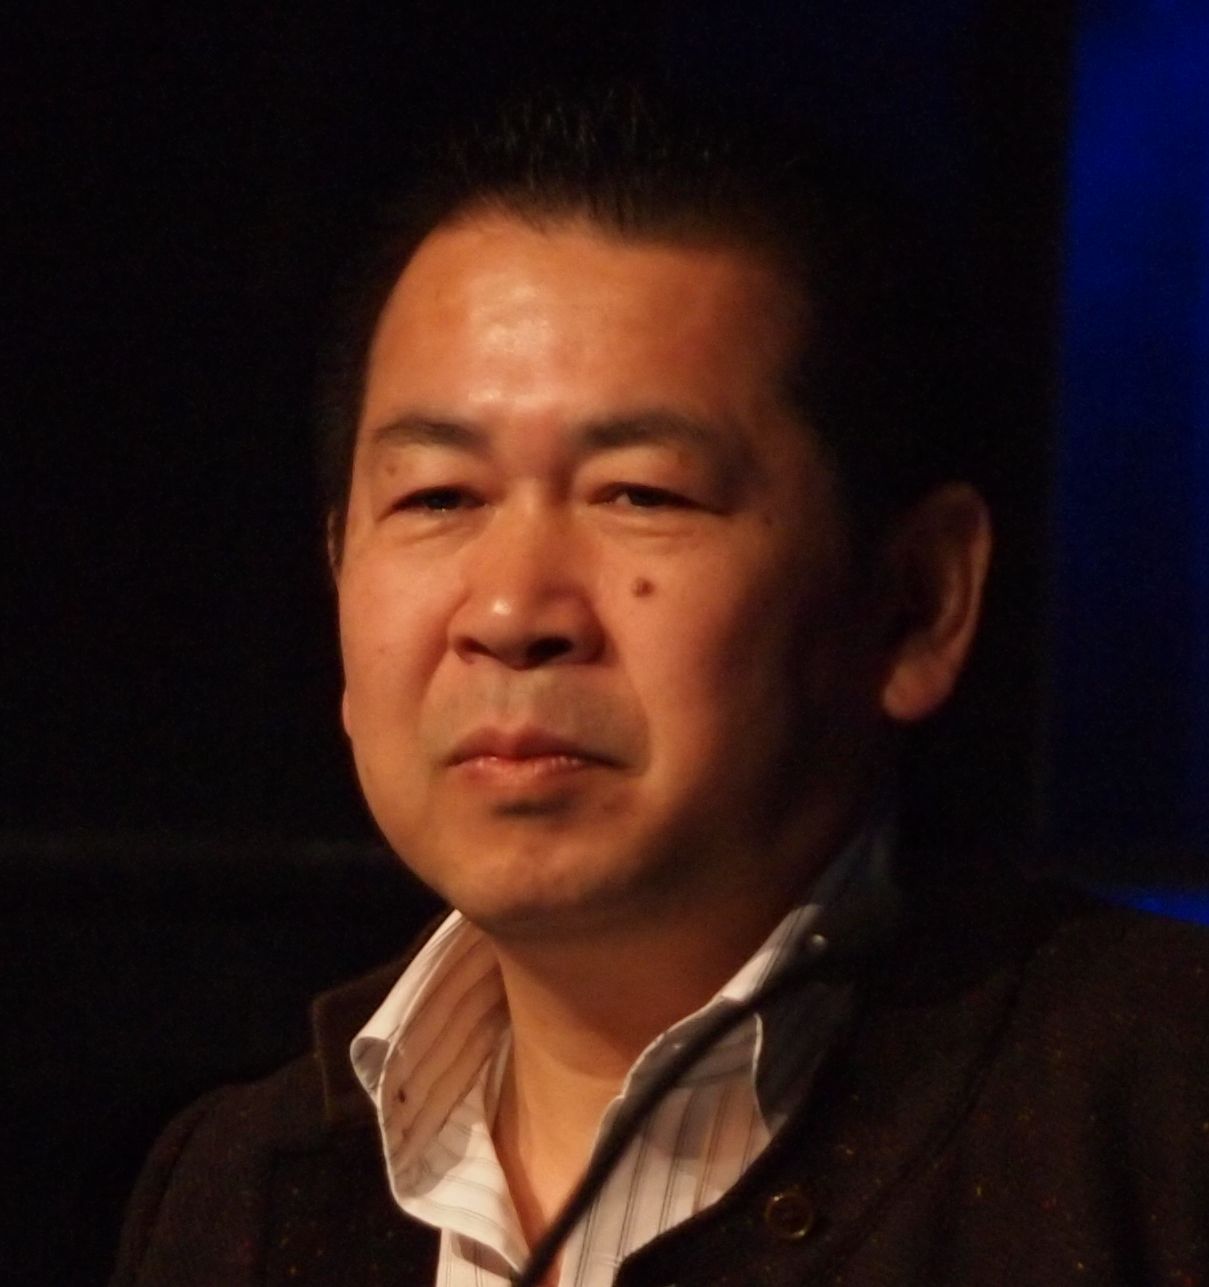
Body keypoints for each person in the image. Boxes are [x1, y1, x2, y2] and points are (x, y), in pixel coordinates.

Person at [112, 85, 1209, 1287]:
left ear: (916, 601)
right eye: (438, 498)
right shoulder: (241, 1189)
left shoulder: (1147, 1113)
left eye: (642, 494)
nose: (510, 613)